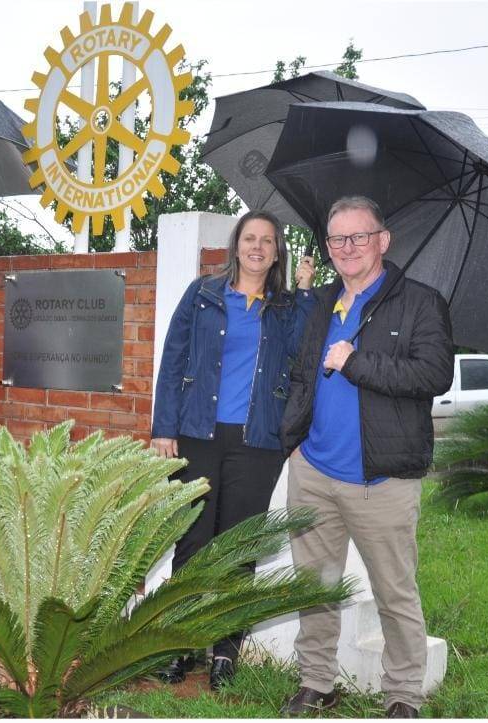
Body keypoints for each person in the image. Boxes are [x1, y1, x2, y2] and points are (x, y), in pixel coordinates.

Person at [278, 196, 453, 719]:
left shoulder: (420, 302)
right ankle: (316, 682)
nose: (347, 248)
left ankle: (402, 694)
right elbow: (304, 372)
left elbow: (433, 375)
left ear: (383, 240)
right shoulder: (323, 302)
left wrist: (357, 362)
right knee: (315, 586)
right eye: (337, 239)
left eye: (358, 236)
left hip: (382, 480)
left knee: (394, 592)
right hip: (313, 471)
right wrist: (294, 439)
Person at [151, 210, 317, 690]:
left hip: (258, 443)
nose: (258, 247)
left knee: (239, 547)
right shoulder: (203, 293)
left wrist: (305, 291)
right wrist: (165, 427)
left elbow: (302, 351)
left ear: (277, 251)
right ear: (236, 244)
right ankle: (178, 646)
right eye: (250, 238)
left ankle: (225, 653)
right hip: (199, 434)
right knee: (193, 540)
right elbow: (173, 356)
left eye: (268, 241)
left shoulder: (286, 307)